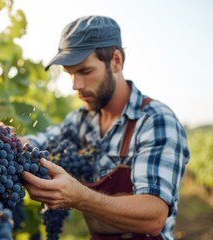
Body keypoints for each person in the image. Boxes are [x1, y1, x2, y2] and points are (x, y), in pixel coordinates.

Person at [21, 15, 190, 240]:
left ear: (116, 61)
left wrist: (80, 197)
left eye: (85, 71)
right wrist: (7, 140)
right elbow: (38, 143)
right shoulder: (81, 120)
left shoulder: (155, 121)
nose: (75, 85)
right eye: (70, 74)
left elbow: (154, 217)